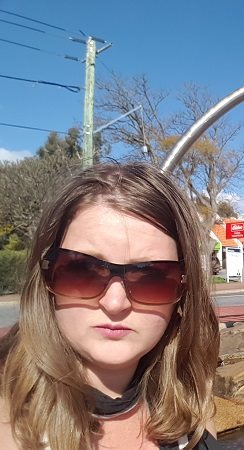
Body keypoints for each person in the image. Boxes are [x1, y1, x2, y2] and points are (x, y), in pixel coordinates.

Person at [0, 163, 221, 449]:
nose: (115, 303)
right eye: (82, 270)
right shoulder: (10, 421)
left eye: (151, 276)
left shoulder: (189, 398)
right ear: (45, 277)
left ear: (183, 290)